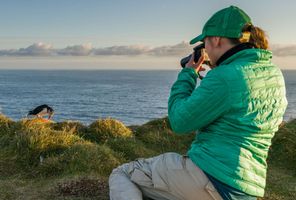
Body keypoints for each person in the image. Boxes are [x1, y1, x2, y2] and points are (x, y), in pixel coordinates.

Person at [109, 5, 287, 200]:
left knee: (123, 173)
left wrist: (188, 74)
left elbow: (179, 121)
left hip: (212, 179)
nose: (206, 48)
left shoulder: (225, 76)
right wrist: (219, 65)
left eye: (205, 41)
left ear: (216, 39)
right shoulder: (273, 74)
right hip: (247, 188)